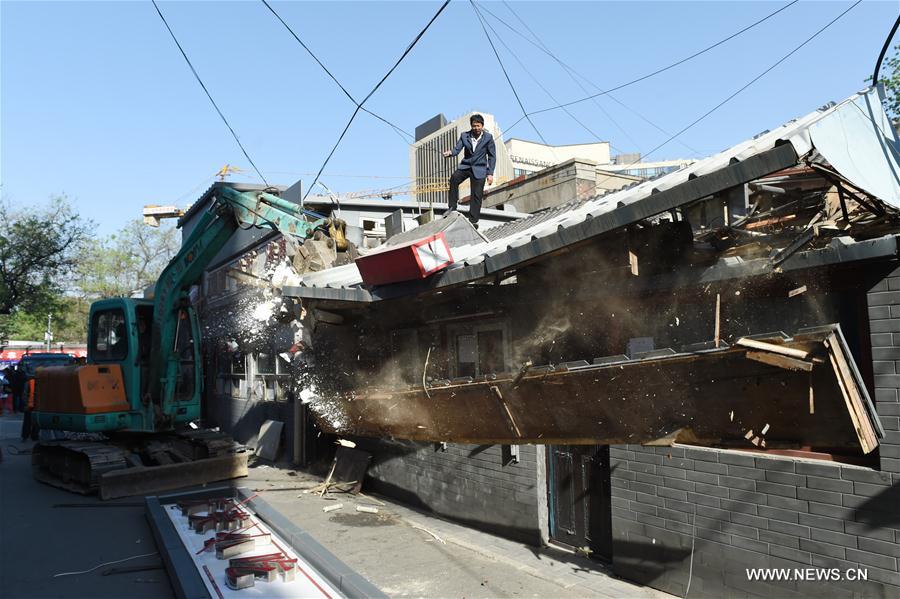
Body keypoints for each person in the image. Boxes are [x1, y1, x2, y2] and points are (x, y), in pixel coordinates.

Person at [443, 114, 496, 226]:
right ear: (471, 126)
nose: (476, 128)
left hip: (480, 169)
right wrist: (450, 153)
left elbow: (492, 156)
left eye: (478, 126)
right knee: (454, 178)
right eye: (474, 126)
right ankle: (452, 207)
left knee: (476, 195)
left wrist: (490, 173)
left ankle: (473, 220)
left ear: (482, 125)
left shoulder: (488, 138)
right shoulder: (464, 136)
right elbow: (457, 149)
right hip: (466, 166)